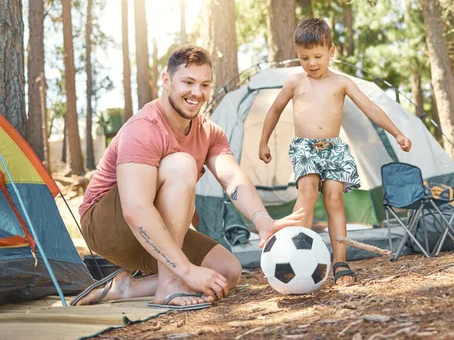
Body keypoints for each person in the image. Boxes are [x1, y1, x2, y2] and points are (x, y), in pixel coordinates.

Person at [72, 45, 304, 309]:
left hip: (149, 225)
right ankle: (169, 284)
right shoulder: (143, 128)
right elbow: (135, 210)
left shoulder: (209, 132)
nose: (197, 93)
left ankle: (127, 288)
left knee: (226, 272)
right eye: (188, 82)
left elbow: (232, 178)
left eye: (205, 85)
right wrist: (185, 269)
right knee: (181, 164)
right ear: (166, 81)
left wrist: (262, 219)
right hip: (106, 226)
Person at [258, 18, 412, 285]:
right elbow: (274, 111)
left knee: (334, 200)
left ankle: (340, 262)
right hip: (305, 147)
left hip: (334, 149)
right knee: (306, 197)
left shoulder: (341, 83)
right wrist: (263, 141)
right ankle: (295, 258)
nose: (312, 63)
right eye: (305, 58)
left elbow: (370, 108)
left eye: (318, 56)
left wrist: (396, 132)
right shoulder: (295, 82)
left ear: (332, 51)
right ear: (297, 55)